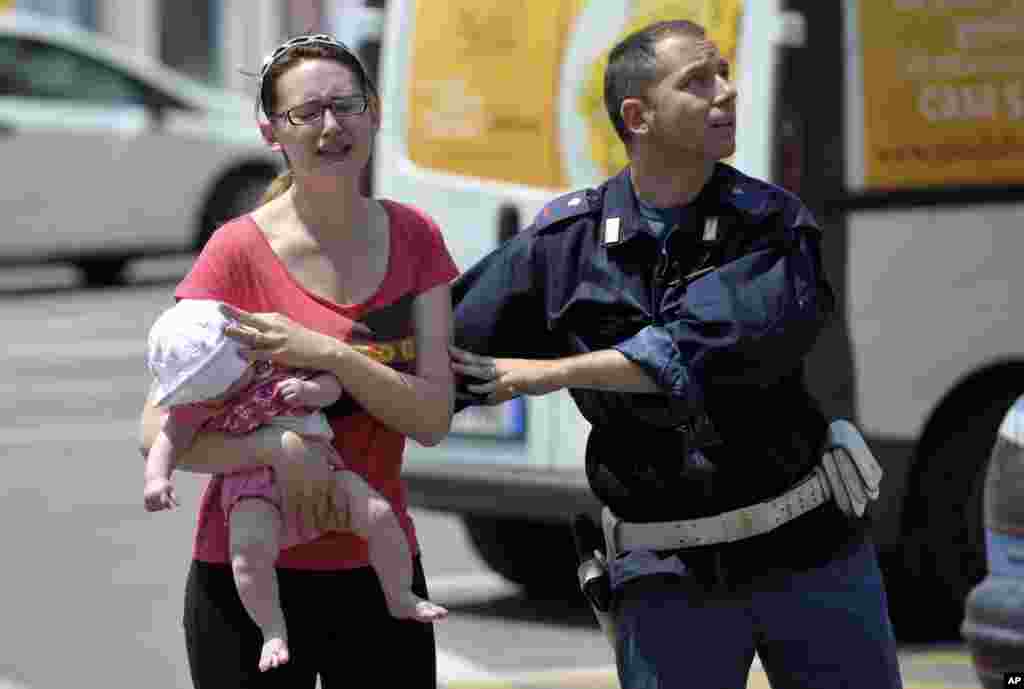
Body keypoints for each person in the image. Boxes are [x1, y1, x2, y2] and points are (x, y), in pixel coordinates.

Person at [448, 20, 903, 689]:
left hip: (808, 556)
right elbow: (434, 351)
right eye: (698, 81)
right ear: (639, 116)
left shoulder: (771, 226)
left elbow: (702, 347)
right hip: (667, 578)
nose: (727, 91)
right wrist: (312, 379)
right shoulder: (565, 244)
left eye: (723, 72)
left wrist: (549, 374)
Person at [137, 33, 458, 688]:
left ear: (373, 111)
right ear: (271, 131)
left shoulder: (417, 238)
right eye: (305, 113)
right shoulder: (235, 251)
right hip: (248, 579)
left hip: (376, 571)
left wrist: (330, 354)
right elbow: (156, 429)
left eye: (345, 105)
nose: (330, 126)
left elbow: (431, 417)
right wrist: (271, 448)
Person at [143, 298, 448, 671]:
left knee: (380, 516)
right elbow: (166, 438)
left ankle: (400, 594)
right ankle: (272, 629)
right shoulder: (197, 404)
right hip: (251, 489)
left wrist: (311, 394)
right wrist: (157, 479)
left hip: (325, 472)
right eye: (206, 388)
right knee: (247, 556)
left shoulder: (279, 364)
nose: (217, 394)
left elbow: (334, 385)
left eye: (221, 382)